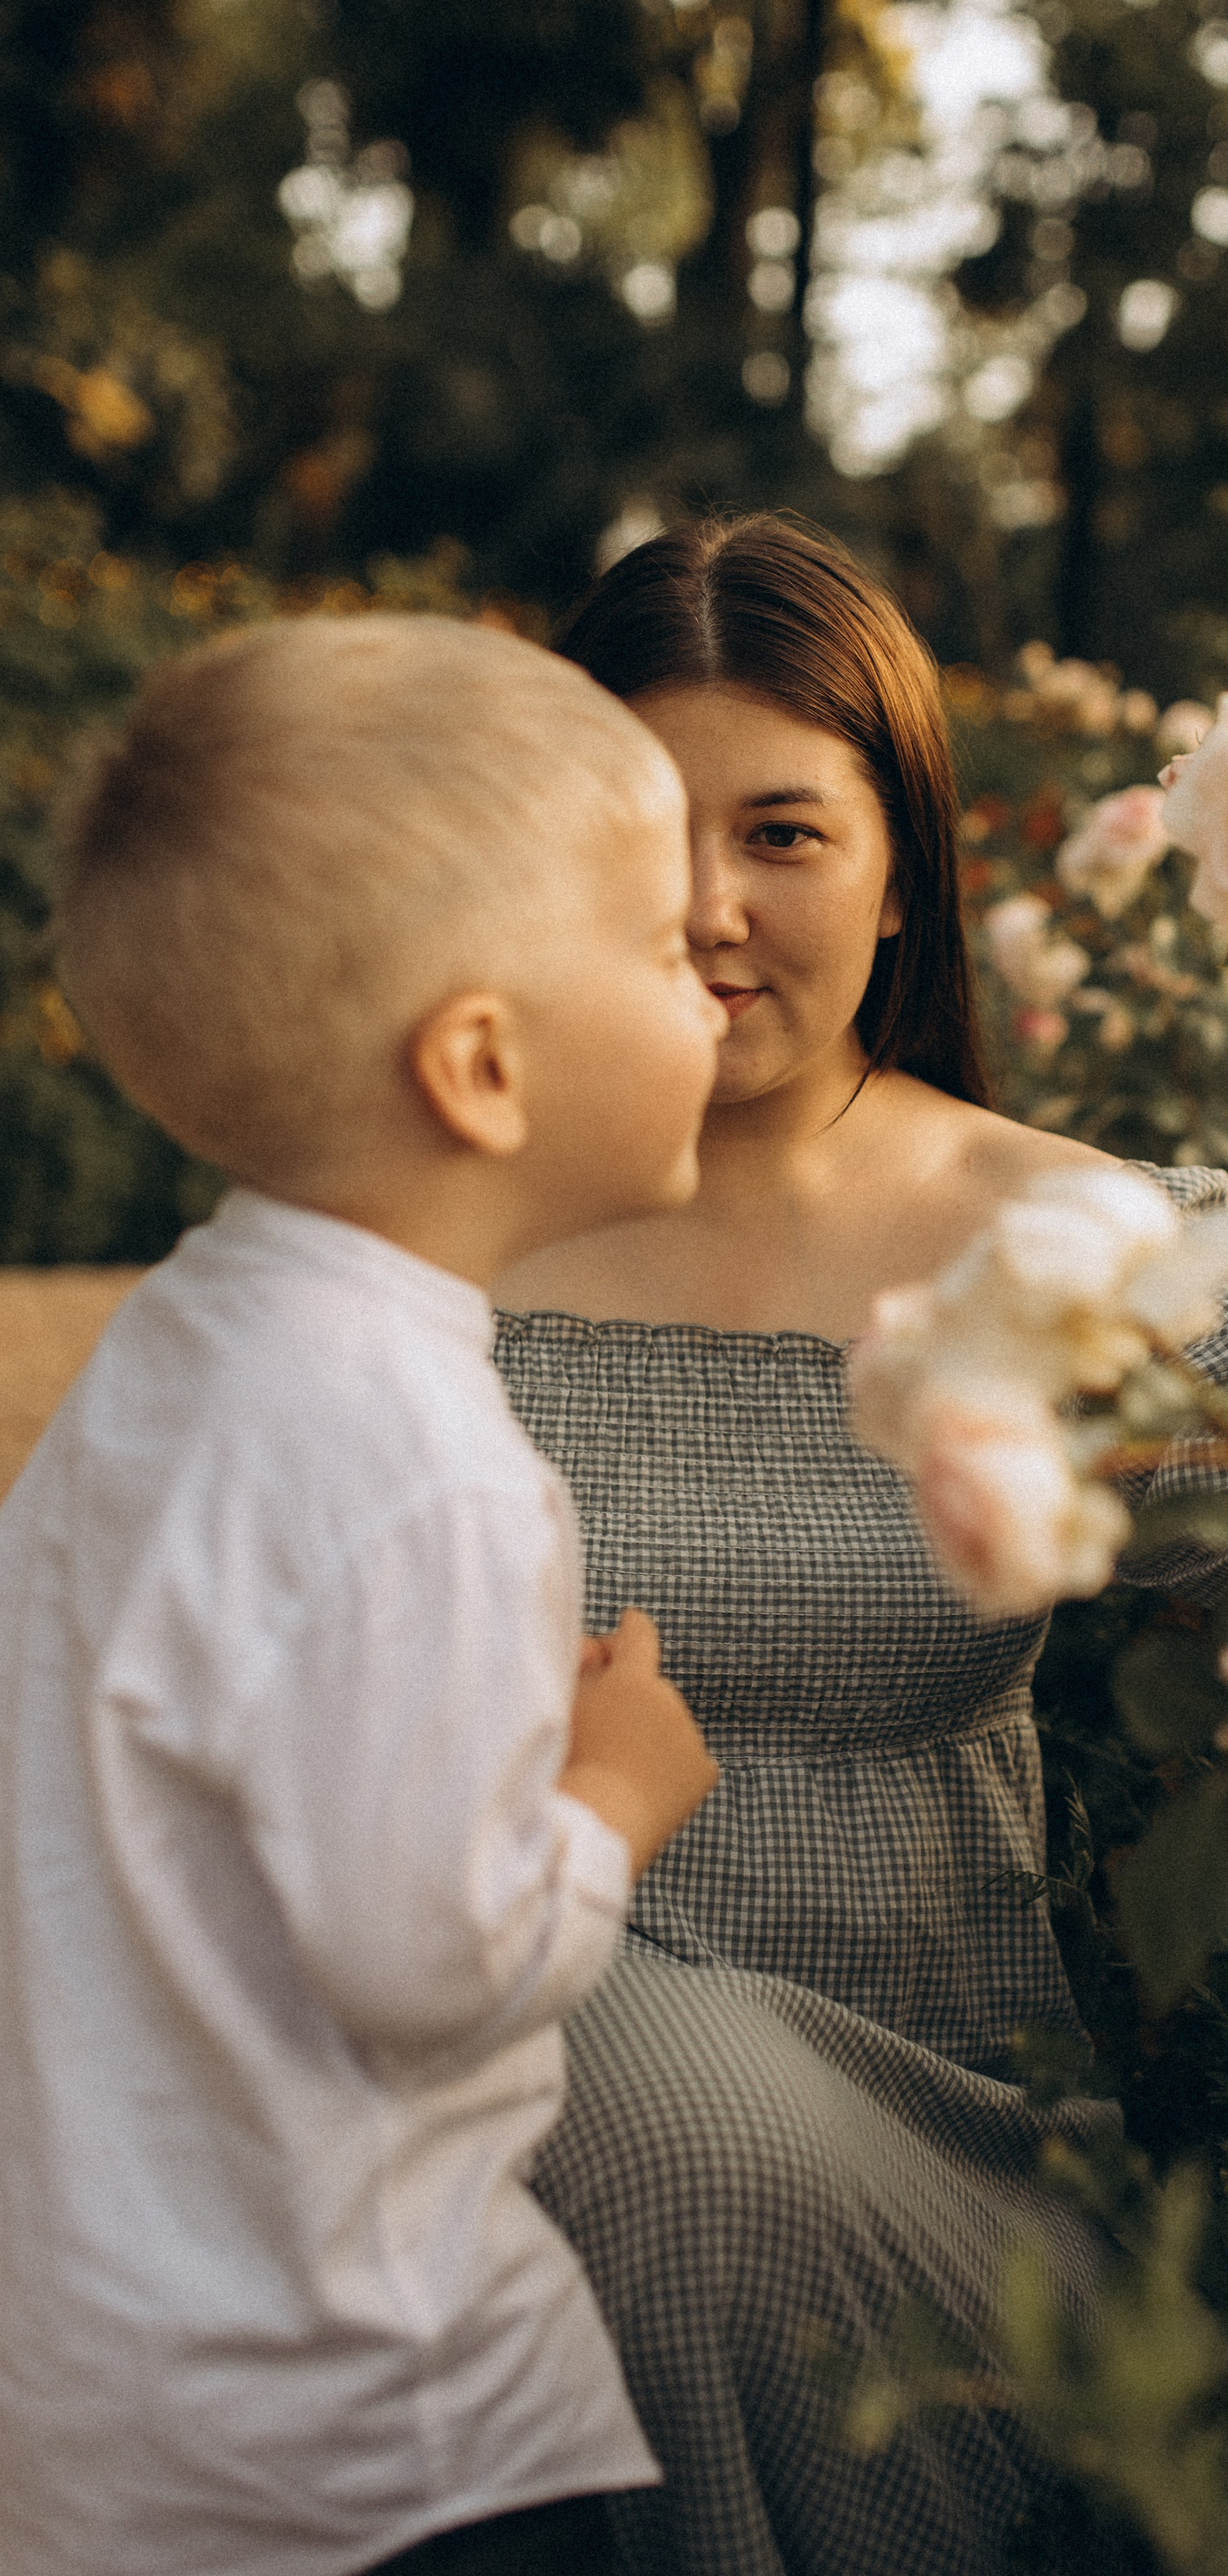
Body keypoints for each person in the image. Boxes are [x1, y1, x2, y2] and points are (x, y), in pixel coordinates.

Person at [490, 517, 1228, 2576]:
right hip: (452, 2074)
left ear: (901, 859)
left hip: (930, 2146)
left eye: (783, 833)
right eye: (643, 828)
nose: (707, 908)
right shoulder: (435, 1215)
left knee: (668, 2126)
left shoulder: (1069, 1243)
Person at [0, 614, 727, 2576]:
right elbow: (437, 1962)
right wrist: (615, 1792)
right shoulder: (426, 1472)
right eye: (664, 946)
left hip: (109, 2421)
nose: (717, 988)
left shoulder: (173, 1353)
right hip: (377, 2442)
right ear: (482, 1066)